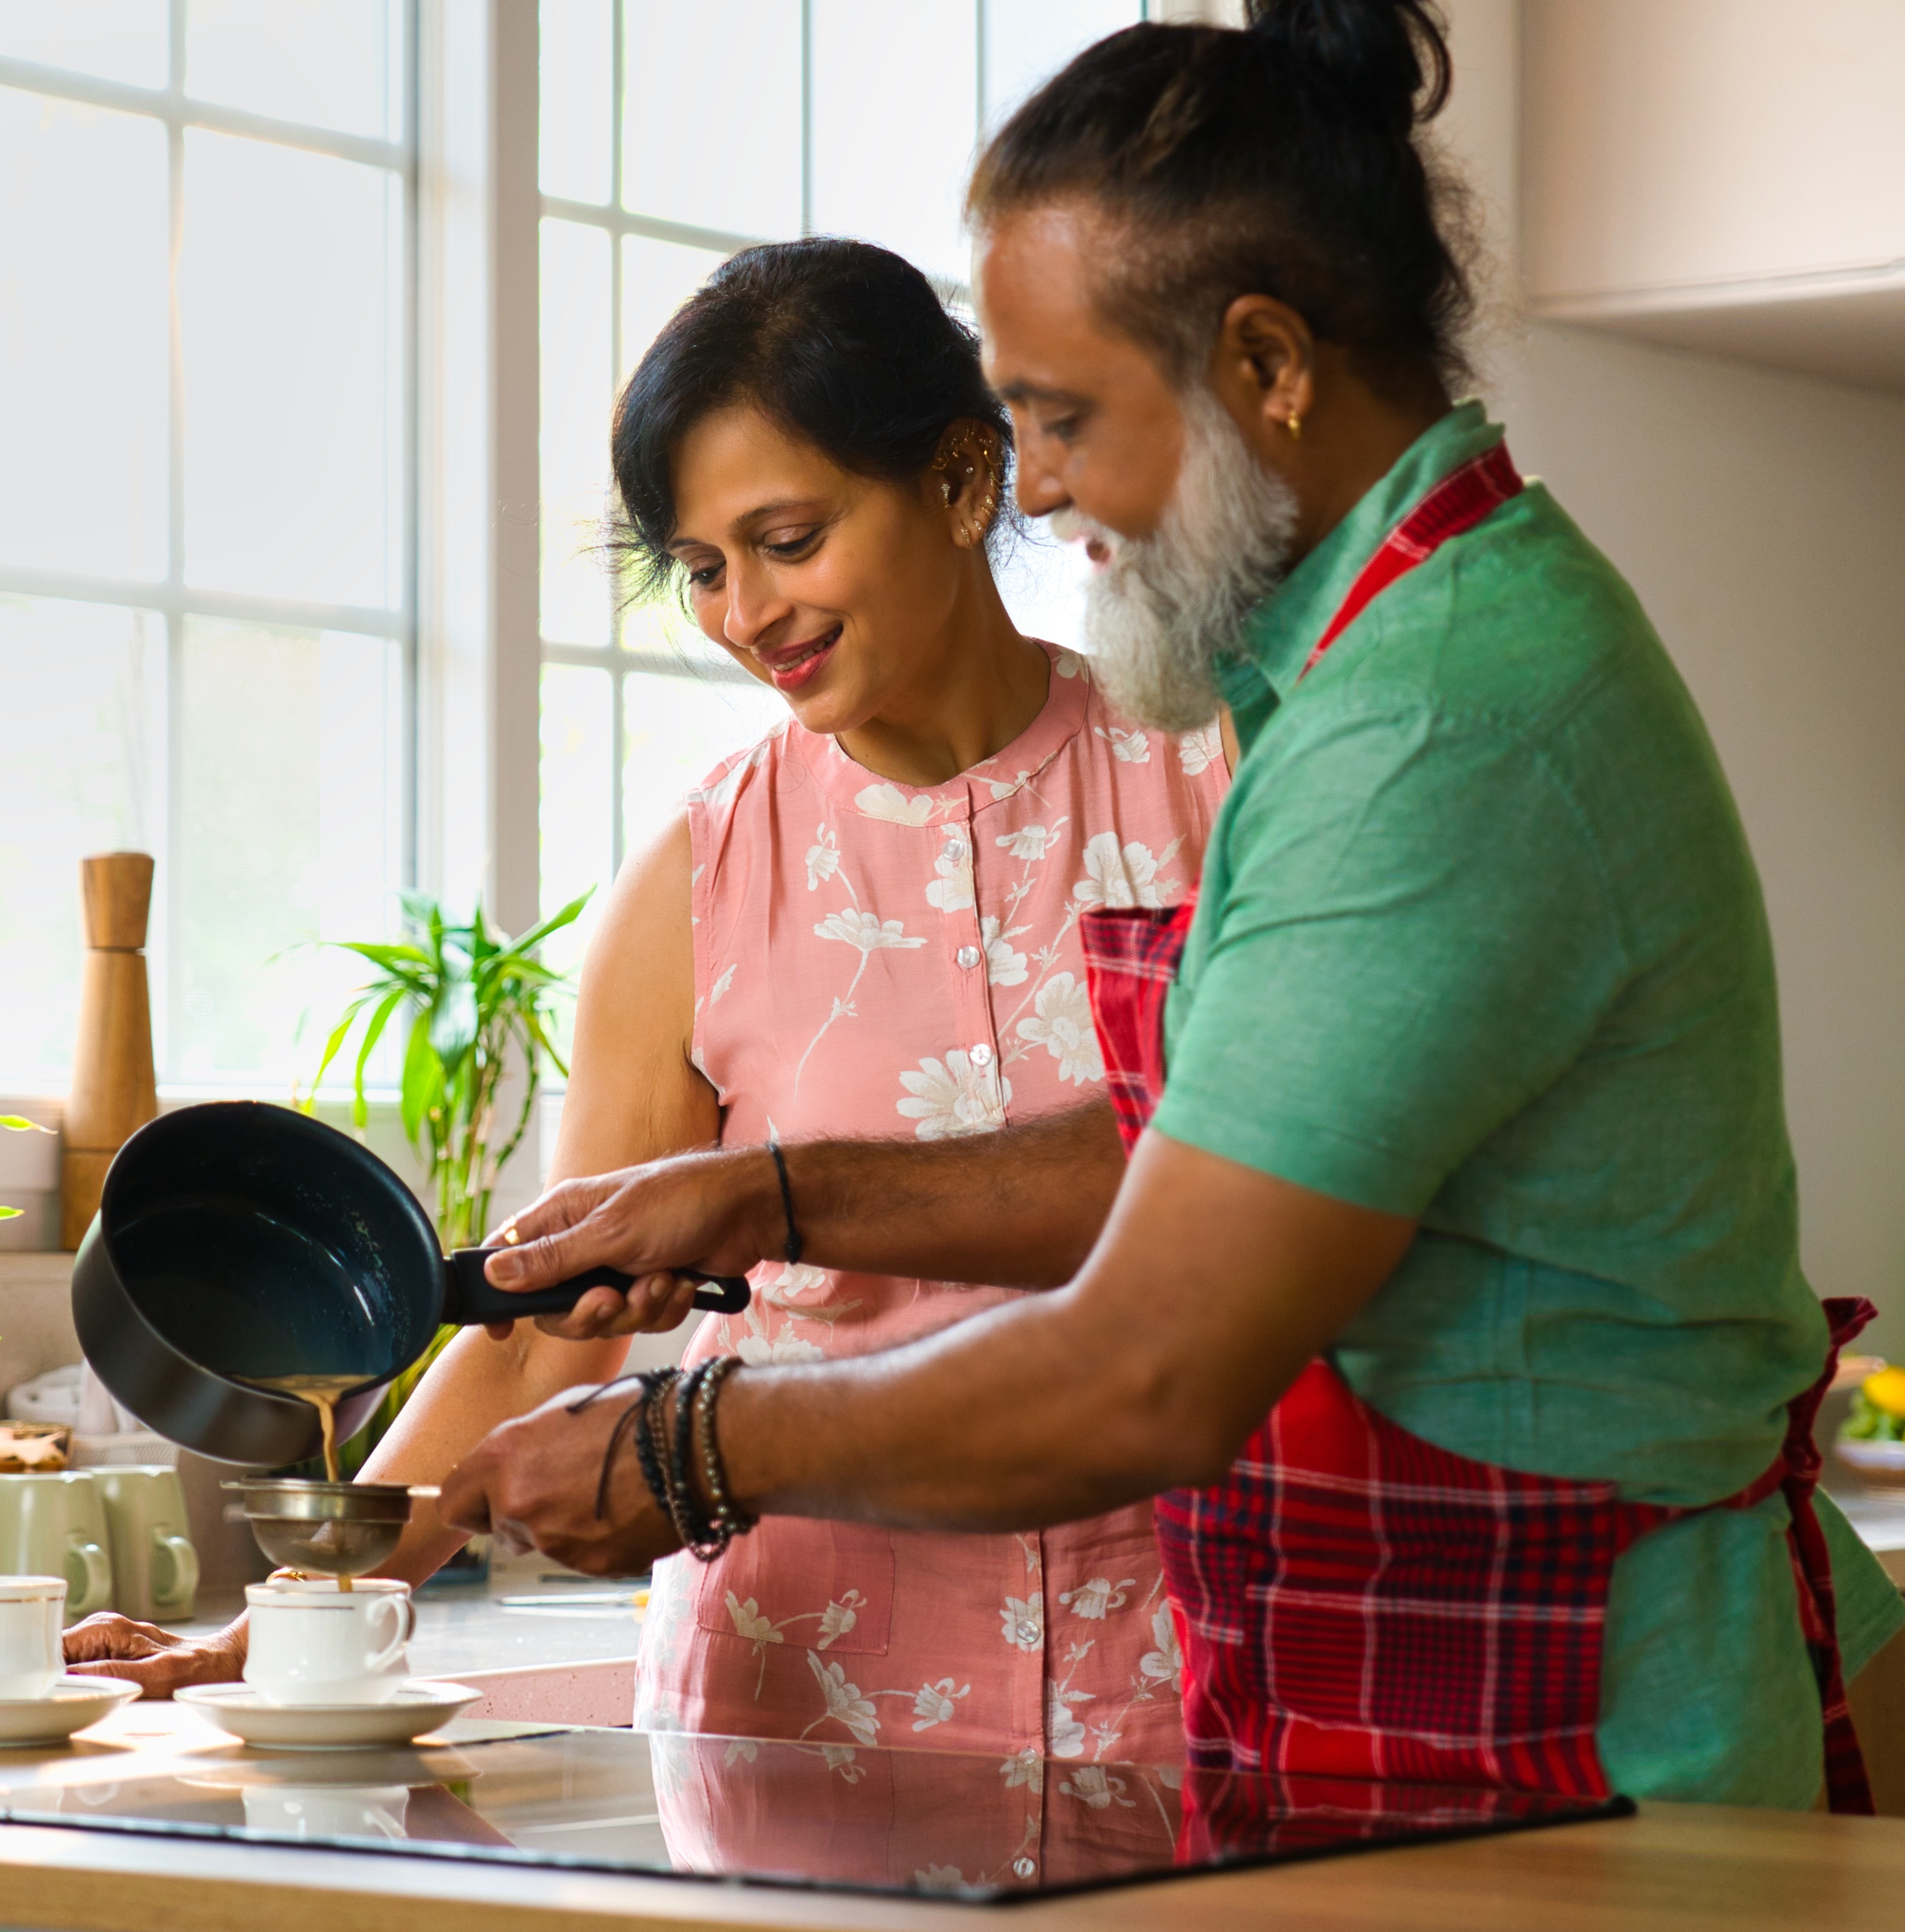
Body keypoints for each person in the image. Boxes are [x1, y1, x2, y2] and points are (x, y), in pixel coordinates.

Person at [442, 0, 1905, 1810]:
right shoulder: (1374, 667)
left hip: (1564, 1730)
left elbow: (1153, 1360)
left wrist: (702, 1444)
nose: (1038, 485)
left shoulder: (1434, 721)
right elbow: (1203, 1155)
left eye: (1060, 420)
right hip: (1426, 1702)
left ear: (1268, 366)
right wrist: (766, 1199)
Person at [69, 238, 1229, 1766]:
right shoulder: (699, 876)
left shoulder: (1201, 777)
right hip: (795, 1699)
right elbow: (545, 1321)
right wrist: (283, 1620)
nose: (746, 609)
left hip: (1170, 1679)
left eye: (788, 538)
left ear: (961, 481)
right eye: (700, 565)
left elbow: (1232, 1203)